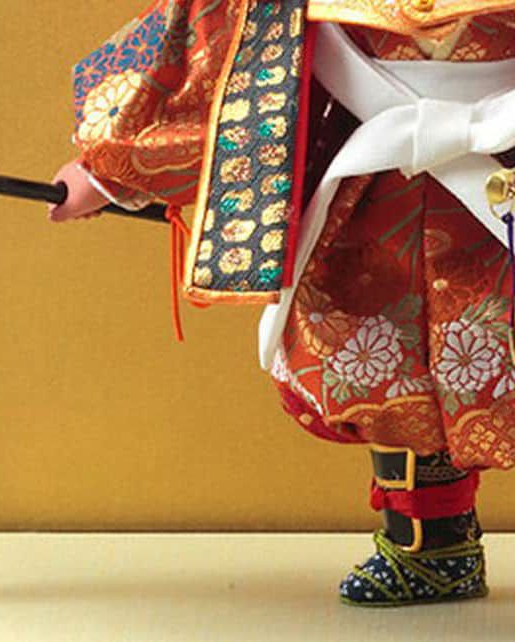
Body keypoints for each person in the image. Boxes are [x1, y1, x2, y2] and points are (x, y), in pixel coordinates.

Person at [49, 0, 515, 606]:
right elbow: (219, 38)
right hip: (377, 177)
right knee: (381, 360)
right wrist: (109, 170)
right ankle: (432, 545)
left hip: (500, 163)